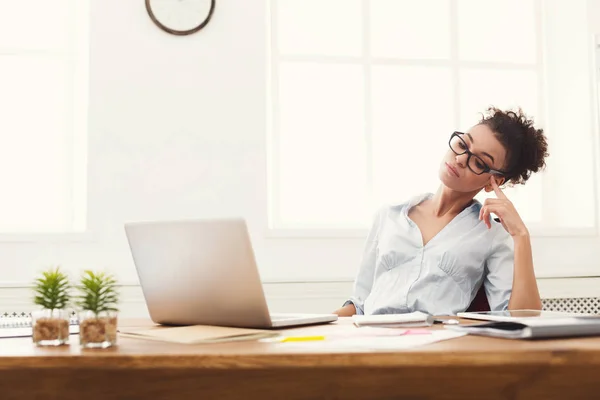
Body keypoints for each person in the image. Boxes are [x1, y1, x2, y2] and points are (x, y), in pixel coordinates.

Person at [334, 107, 549, 317]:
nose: (460, 159)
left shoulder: (492, 236)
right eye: (462, 144)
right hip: (372, 342)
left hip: (436, 344)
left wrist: (521, 236)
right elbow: (359, 305)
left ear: (494, 181)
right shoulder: (388, 217)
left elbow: (522, 318)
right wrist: (314, 323)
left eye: (478, 162)